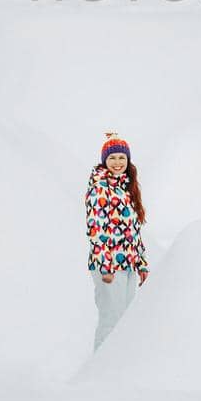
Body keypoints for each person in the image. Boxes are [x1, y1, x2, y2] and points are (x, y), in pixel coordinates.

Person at [85, 131, 149, 350]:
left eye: (122, 157)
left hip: (129, 264)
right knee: (111, 321)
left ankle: (116, 371)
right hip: (109, 266)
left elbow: (133, 231)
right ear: (105, 160)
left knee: (125, 324)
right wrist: (106, 266)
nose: (117, 162)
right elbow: (96, 229)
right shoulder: (100, 188)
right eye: (112, 157)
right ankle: (98, 371)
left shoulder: (127, 189)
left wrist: (141, 263)